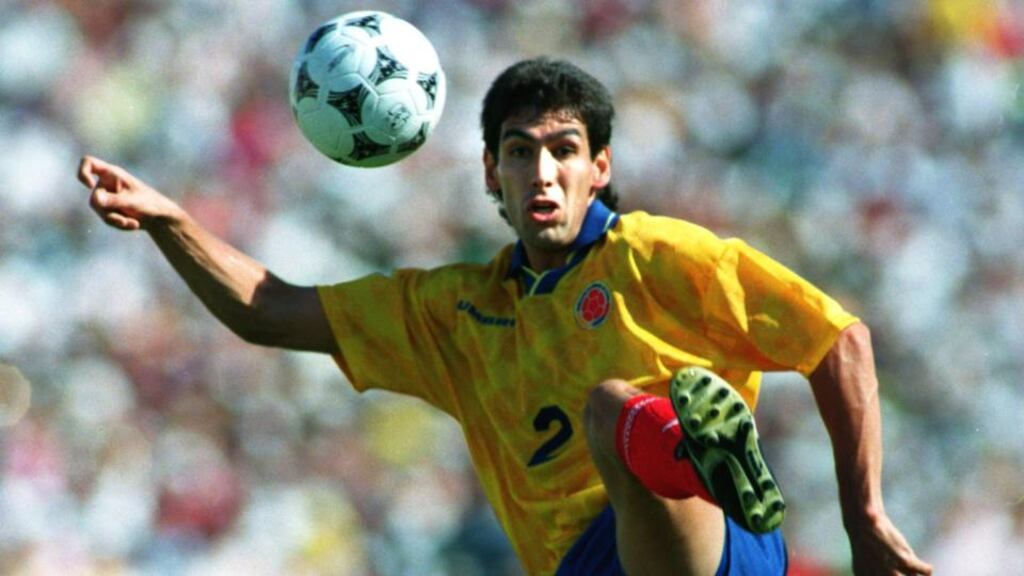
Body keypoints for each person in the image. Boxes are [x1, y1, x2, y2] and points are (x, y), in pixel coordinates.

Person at [78, 57, 932, 575]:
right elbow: (268, 313)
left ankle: (698, 455)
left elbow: (836, 338)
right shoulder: (455, 311)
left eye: (564, 150)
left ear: (600, 167)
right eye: (520, 153)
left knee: (610, 406)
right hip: (581, 569)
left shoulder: (656, 256)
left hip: (714, 544)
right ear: (492, 173)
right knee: (610, 412)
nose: (543, 173)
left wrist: (864, 513)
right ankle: (683, 445)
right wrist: (170, 222)